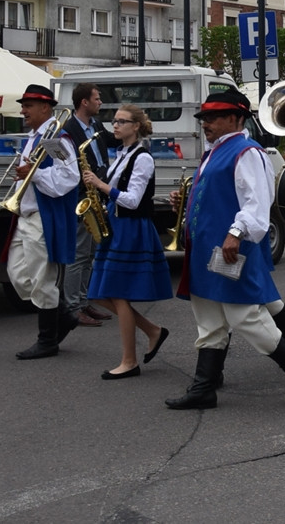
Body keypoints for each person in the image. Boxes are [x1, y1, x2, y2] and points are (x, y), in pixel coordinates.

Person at [165, 89, 285, 409]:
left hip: (229, 249)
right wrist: (186, 202)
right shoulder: (215, 151)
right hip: (205, 250)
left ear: (236, 118)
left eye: (213, 118)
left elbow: (257, 204)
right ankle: (203, 387)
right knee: (209, 320)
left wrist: (235, 233)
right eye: (204, 118)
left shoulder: (247, 152)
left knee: (244, 315)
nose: (206, 124)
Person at [82, 105, 172, 379]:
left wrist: (100, 185)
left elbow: (133, 200)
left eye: (122, 121)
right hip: (116, 225)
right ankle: (152, 330)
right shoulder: (122, 153)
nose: (116, 125)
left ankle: (129, 361)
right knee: (98, 292)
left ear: (136, 126)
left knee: (117, 293)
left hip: (132, 228)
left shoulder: (143, 157)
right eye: (115, 121)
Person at [6, 85, 81, 360]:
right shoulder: (33, 137)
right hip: (25, 213)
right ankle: (62, 315)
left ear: (46, 108)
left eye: (28, 105)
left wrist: (34, 175)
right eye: (23, 104)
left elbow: (69, 178)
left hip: (42, 216)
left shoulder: (55, 140)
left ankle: (47, 340)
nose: (23, 110)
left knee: (42, 279)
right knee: (18, 275)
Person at [62, 83, 119, 328]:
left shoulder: (95, 125)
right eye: (97, 99)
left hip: (97, 192)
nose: (100, 102)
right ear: (84, 102)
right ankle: (72, 307)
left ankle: (84, 300)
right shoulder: (67, 129)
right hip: (81, 196)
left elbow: (109, 141)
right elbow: (65, 165)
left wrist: (130, 128)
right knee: (78, 254)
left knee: (91, 254)